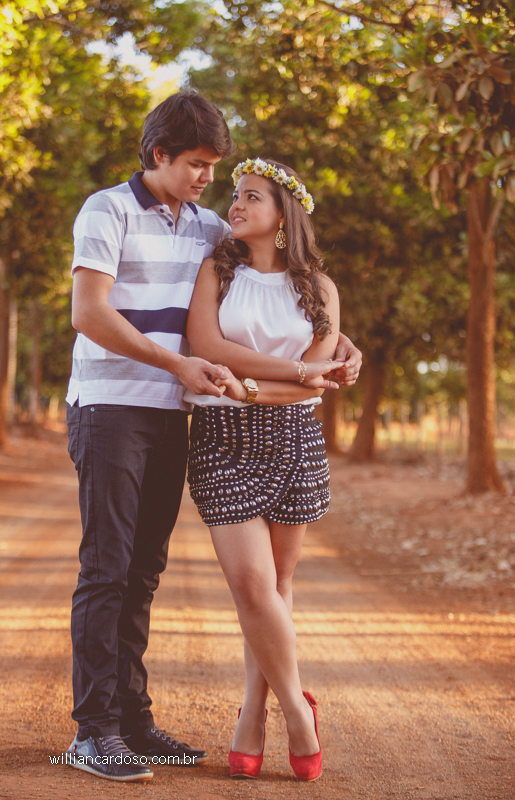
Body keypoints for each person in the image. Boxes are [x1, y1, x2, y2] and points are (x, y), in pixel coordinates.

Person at [65, 91, 362, 783]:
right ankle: (94, 729)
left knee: (144, 571)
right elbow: (89, 313)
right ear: (159, 154)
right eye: (196, 164)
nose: (207, 179)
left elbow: (278, 293)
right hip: (111, 405)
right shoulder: (105, 210)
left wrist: (346, 346)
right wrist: (178, 362)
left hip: (173, 413)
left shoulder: (206, 229)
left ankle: (133, 719)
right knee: (106, 567)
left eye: (214, 167)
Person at [185, 157, 343, 781]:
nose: (237, 204)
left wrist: (253, 386)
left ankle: (253, 710)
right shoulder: (216, 272)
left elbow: (317, 383)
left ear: (283, 215)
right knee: (253, 585)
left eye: (252, 196)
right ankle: (300, 715)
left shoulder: (321, 290)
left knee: (277, 586)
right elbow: (208, 347)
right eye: (236, 195)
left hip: (295, 437)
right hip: (222, 437)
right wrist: (295, 373)